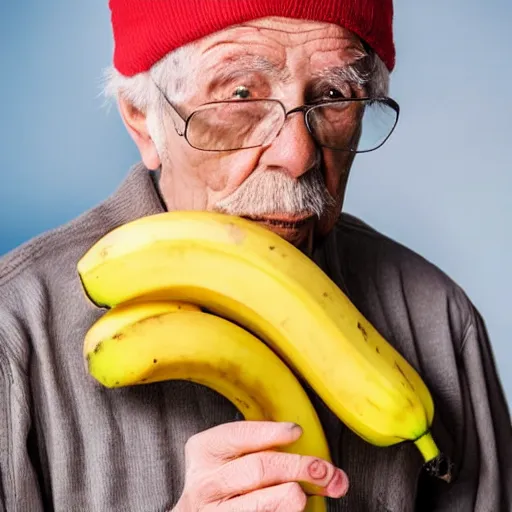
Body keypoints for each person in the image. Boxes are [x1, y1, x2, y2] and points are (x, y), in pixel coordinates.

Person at [0, 0, 510, 510]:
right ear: (143, 120)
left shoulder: (440, 323)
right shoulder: (15, 334)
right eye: (240, 93)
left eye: (335, 94)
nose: (297, 155)